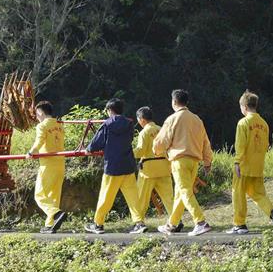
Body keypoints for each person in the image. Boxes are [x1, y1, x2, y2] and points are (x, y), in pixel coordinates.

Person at [153, 89, 213, 236]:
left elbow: (162, 141)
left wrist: (157, 150)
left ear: (174, 102)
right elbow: (205, 142)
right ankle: (172, 224)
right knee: (181, 194)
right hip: (194, 161)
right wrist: (207, 161)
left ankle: (200, 222)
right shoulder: (197, 119)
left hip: (179, 160)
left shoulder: (172, 119)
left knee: (184, 191)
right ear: (187, 102)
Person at [84, 98, 146, 234]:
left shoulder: (107, 124)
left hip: (112, 166)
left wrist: (88, 149)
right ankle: (139, 222)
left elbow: (96, 143)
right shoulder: (129, 124)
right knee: (132, 196)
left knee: (106, 196)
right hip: (128, 165)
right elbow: (129, 139)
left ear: (109, 110)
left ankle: (98, 224)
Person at [227, 91, 273, 234]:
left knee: (238, 194)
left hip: (244, 165)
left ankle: (239, 224)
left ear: (244, 106)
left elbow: (241, 145)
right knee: (259, 194)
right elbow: (266, 145)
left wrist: (237, 162)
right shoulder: (264, 123)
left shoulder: (243, 122)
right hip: (258, 166)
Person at [133, 107, 179, 234]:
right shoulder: (162, 129)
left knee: (141, 198)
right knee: (169, 197)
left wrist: (129, 153)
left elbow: (141, 151)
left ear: (142, 120)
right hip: (164, 168)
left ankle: (139, 223)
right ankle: (176, 220)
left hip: (148, 170)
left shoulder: (144, 133)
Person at [26, 101, 67, 233]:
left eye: (37, 114)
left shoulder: (42, 126)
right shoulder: (59, 125)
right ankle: (50, 224)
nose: (37, 117)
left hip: (48, 164)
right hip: (60, 163)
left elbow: (39, 141)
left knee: (39, 195)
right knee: (53, 195)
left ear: (41, 112)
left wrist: (31, 152)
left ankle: (56, 213)